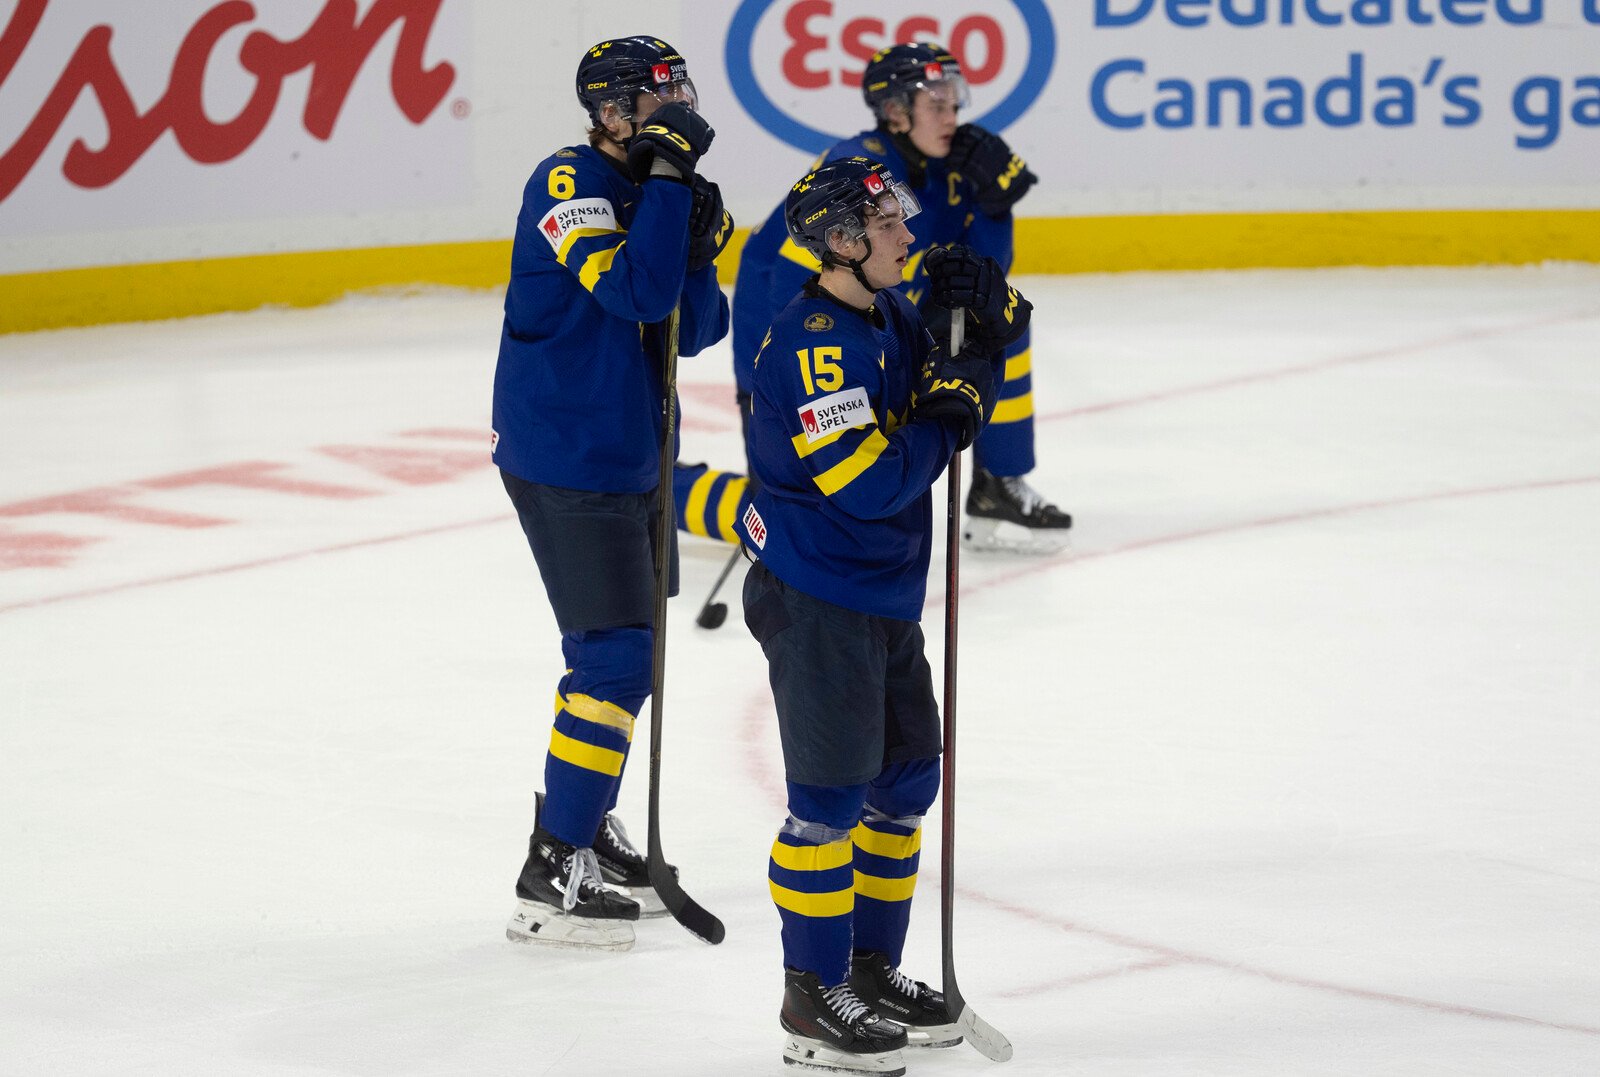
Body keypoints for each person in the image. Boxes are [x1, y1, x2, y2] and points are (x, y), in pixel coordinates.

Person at [738, 157, 1031, 1073]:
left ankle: (868, 970)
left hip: (882, 593)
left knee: (904, 782)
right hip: (820, 596)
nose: (907, 233)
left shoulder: (889, 312)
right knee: (826, 807)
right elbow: (869, 484)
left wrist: (990, 327)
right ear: (841, 243)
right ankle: (810, 996)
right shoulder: (814, 343)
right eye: (889, 224)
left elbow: (975, 352)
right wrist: (951, 416)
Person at [490, 35, 731, 952]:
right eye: (658, 100)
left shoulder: (658, 181)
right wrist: (668, 192)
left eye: (682, 96)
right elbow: (632, 294)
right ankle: (552, 863)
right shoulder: (566, 184)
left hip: (635, 455)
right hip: (568, 455)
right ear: (611, 110)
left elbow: (695, 327)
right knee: (615, 661)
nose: (675, 113)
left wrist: (699, 242)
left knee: (630, 659)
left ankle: (584, 824)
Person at [727, 41, 1070, 555]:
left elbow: (986, 276)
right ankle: (679, 488)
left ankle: (999, 480)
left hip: (883, 312)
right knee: (801, 504)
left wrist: (997, 206)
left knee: (1001, 329)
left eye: (954, 102)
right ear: (894, 111)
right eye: (936, 104)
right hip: (792, 331)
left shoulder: (955, 164)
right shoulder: (858, 170)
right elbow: (801, 294)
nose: (952, 116)